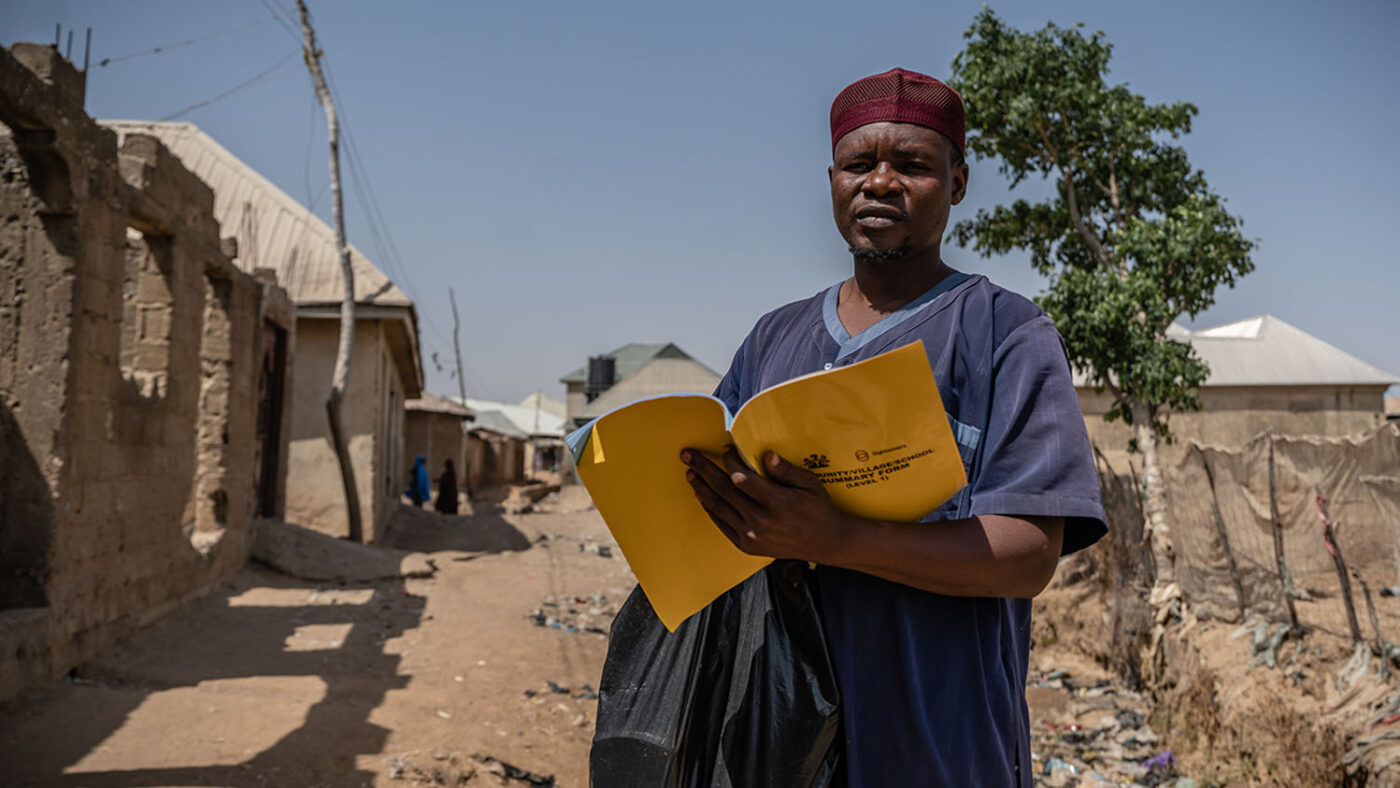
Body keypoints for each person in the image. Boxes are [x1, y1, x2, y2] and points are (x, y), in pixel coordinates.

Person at [678, 68, 1107, 786]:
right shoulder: (773, 339)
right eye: (858, 164)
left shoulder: (1006, 333)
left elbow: (1028, 555)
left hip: (939, 745)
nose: (880, 182)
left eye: (911, 164)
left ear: (957, 183)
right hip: (772, 743)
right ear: (833, 181)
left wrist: (834, 538)